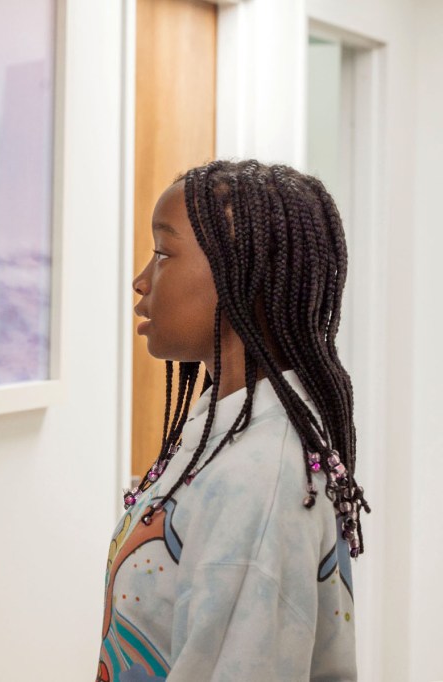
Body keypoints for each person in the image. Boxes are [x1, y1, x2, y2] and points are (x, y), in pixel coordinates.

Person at [97, 160, 368, 681]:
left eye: (162, 253)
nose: (141, 280)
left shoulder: (258, 480)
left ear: (244, 278)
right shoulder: (225, 431)